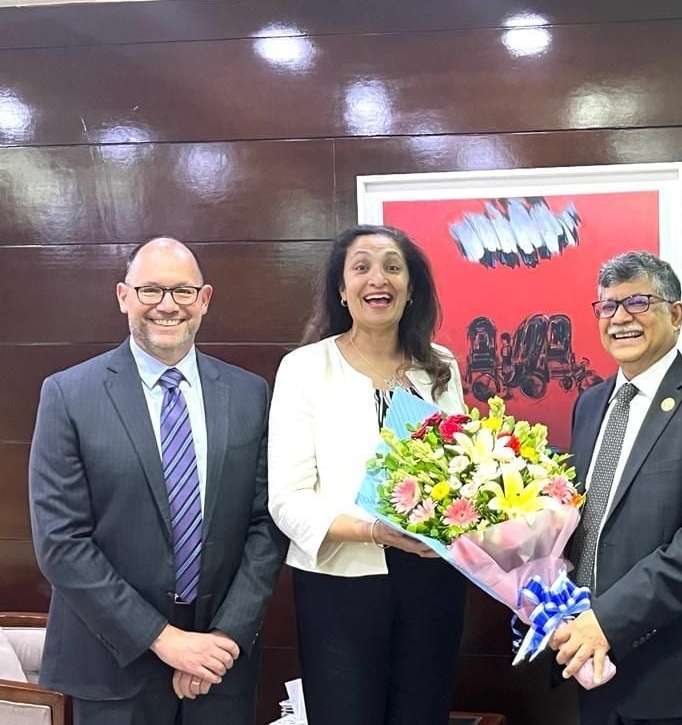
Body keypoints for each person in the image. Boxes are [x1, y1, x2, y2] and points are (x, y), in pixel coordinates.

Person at [28, 237, 285, 725]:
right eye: (150, 290)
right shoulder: (68, 395)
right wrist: (165, 640)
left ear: (204, 300)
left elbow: (266, 525)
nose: (167, 305)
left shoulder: (250, 394)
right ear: (123, 296)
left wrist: (225, 637)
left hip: (218, 666)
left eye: (183, 291)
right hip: (111, 665)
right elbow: (61, 543)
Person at [268, 224, 467, 725]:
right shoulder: (305, 368)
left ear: (411, 287)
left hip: (432, 578)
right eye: (361, 268)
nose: (378, 279)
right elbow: (287, 499)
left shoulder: (440, 367)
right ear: (342, 289)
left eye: (392, 267)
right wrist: (374, 531)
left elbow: (461, 470)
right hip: (341, 583)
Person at [551, 251, 682, 725]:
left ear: (676, 314)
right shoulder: (589, 404)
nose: (620, 318)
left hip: (678, 674)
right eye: (608, 306)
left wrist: (609, 620)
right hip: (591, 666)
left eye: (638, 302)